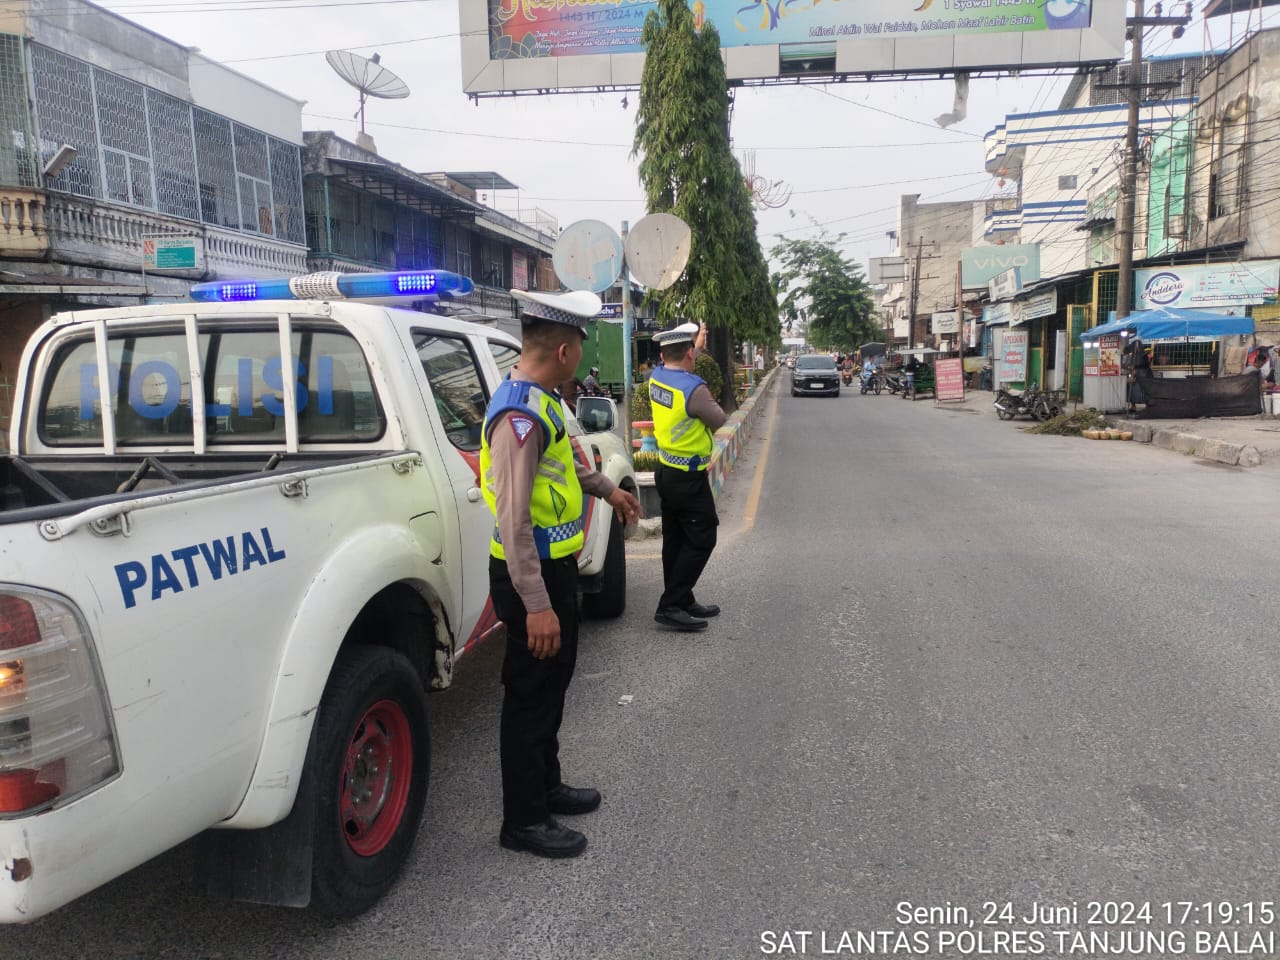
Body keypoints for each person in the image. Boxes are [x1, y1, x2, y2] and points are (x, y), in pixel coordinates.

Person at [481, 288, 642, 859]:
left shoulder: (544, 402)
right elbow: (514, 517)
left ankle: (545, 787)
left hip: (555, 572)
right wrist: (537, 604)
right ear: (568, 350)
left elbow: (572, 469)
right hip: (531, 579)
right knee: (530, 695)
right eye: (583, 343)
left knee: (552, 686)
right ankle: (523, 821)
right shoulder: (519, 416)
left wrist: (613, 493)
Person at [648, 321, 727, 632]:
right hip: (687, 478)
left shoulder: (657, 377)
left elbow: (678, 369)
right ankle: (670, 604)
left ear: (663, 353)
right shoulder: (694, 388)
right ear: (690, 353)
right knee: (703, 536)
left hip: (666, 470)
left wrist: (697, 349)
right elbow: (719, 418)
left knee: (676, 539)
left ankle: (682, 599)